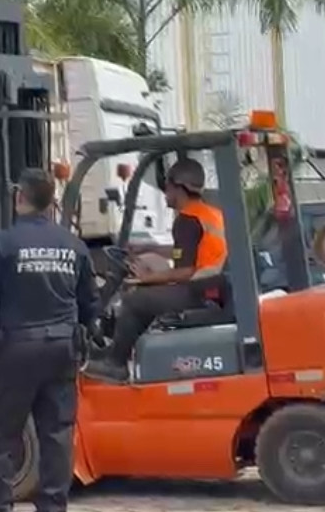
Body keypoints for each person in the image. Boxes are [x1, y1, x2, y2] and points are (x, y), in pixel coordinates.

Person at [0, 169, 98, 512]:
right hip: (61, 350)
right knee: (56, 438)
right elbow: (89, 305)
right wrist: (84, 342)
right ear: (52, 201)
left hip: (16, 350)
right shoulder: (74, 246)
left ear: (20, 197)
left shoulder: (3, 244)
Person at [83, 158, 227, 382]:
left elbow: (186, 271)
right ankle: (120, 352)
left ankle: (116, 363)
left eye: (167, 187)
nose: (165, 193)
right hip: (212, 287)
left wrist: (145, 278)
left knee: (134, 300)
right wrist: (150, 248)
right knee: (148, 294)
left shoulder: (187, 220)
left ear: (179, 187)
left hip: (198, 292)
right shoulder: (208, 213)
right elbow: (191, 252)